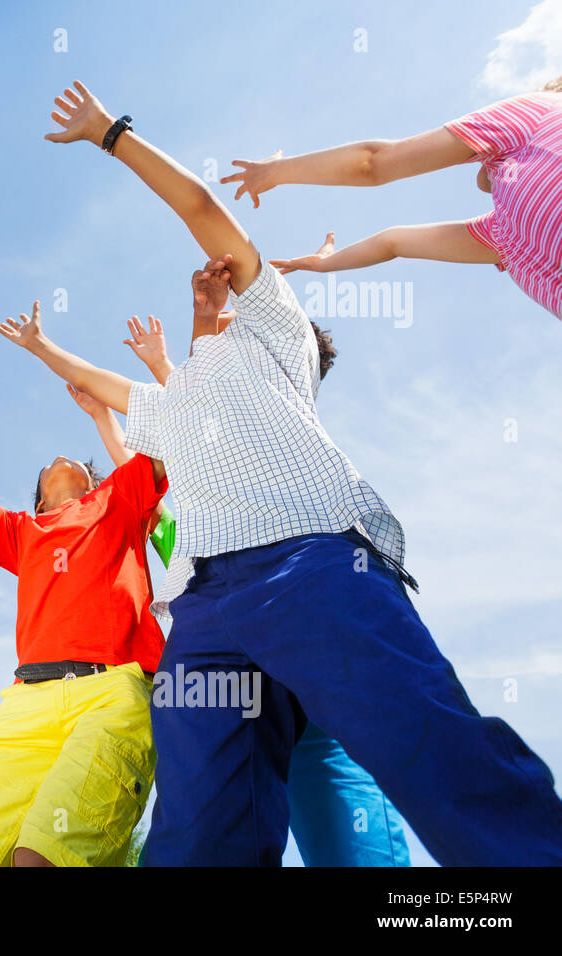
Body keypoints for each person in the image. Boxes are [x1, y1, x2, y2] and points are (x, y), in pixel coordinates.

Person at [40, 79, 562, 865]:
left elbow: (201, 212)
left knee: (432, 749)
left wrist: (112, 134)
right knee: (197, 829)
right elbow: (104, 388)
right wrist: (43, 349)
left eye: (222, 289)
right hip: (205, 611)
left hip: (313, 562)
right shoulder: (178, 402)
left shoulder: (276, 337)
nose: (209, 289)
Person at [125, 302, 409, 866]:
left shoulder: (280, 422)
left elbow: (202, 399)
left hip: (311, 621)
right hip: (242, 661)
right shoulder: (202, 517)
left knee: (348, 829)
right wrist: (162, 365)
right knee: (229, 813)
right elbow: (193, 407)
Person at [0, 324, 167, 868]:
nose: (61, 457)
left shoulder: (117, 501)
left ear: (93, 480)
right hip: (25, 703)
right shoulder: (24, 531)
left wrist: (102, 412)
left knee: (40, 857)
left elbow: (169, 433)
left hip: (112, 691)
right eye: (49, 463)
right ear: (39, 498)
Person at [220, 79, 562, 320]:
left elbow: (374, 164)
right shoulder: (503, 236)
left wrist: (276, 171)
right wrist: (325, 264)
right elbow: (392, 243)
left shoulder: (541, 109)